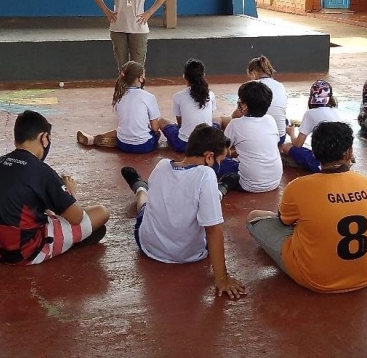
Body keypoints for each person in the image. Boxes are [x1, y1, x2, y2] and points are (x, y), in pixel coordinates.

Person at [246, 121, 367, 293]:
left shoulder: (299, 186)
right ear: (349, 153)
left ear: (314, 153)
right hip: (365, 276)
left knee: (255, 216)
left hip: (315, 280)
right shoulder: (366, 183)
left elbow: (284, 221)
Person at [121, 124, 246, 299]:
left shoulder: (162, 165)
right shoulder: (206, 175)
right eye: (221, 160)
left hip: (149, 246)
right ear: (209, 157)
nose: (221, 164)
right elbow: (213, 230)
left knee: (145, 204)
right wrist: (222, 278)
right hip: (190, 254)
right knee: (208, 203)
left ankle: (139, 187)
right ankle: (222, 188)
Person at [0, 110, 110, 265]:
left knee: (42, 208)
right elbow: (76, 217)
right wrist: (70, 194)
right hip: (23, 252)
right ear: (44, 138)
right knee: (102, 212)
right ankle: (65, 243)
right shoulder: (41, 171)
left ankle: (65, 234)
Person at [77, 61, 161, 153]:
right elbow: (155, 128)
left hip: (123, 145)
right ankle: (104, 140)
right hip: (144, 146)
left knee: (121, 131)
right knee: (157, 134)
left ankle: (93, 139)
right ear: (140, 78)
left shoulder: (119, 96)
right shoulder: (149, 96)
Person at [217, 81, 283, 196]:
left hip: (249, 184)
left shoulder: (235, 124)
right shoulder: (270, 120)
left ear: (245, 106)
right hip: (275, 181)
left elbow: (223, 152)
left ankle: (221, 189)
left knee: (216, 161)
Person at [218, 55, 289, 145]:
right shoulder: (280, 86)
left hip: (256, 137)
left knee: (224, 120)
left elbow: (236, 115)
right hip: (280, 137)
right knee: (285, 120)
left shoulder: (251, 87)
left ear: (253, 74)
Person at [282, 79, 342, 173]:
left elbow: (298, 144)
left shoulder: (310, 114)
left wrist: (291, 133)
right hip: (340, 160)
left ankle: (307, 164)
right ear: (330, 97)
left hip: (322, 164)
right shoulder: (334, 111)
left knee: (286, 147)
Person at [159, 59, 217, 153]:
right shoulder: (211, 94)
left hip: (184, 145)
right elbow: (210, 115)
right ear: (203, 75)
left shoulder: (178, 96)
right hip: (207, 144)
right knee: (218, 120)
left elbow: (180, 123)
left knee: (161, 121)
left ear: (184, 76)